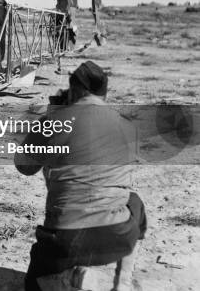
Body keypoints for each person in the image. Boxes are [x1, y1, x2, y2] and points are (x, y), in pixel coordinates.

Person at [14, 61, 146, 291]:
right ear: (104, 94)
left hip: (64, 240)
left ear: (73, 90)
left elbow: (24, 167)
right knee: (134, 201)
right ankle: (122, 282)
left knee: (34, 285)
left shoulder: (54, 121)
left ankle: (69, 278)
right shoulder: (128, 126)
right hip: (118, 236)